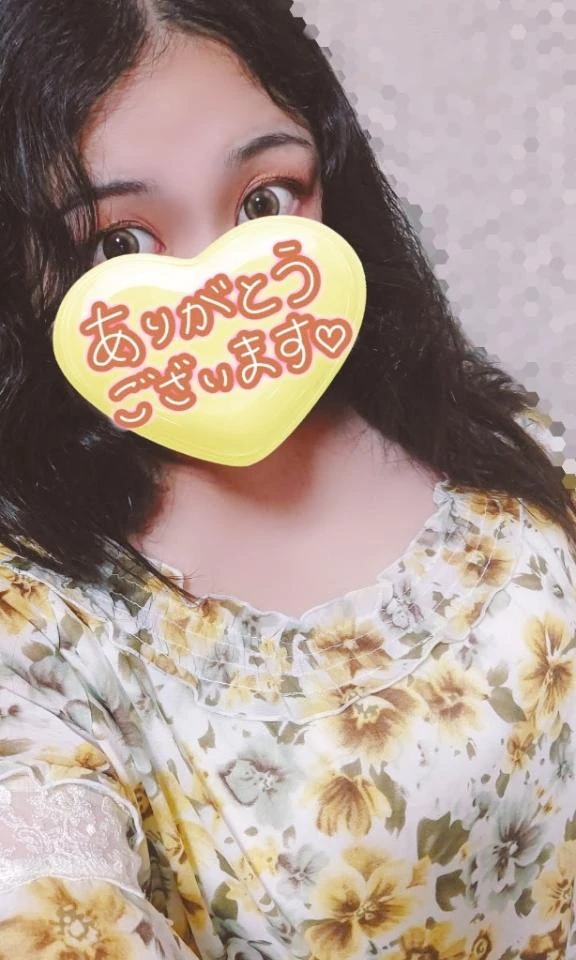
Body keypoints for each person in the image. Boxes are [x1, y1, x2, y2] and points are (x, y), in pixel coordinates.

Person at [0, 0, 574, 957]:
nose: (220, 288)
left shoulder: (464, 419)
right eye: (117, 245)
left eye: (264, 202)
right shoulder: (33, 619)